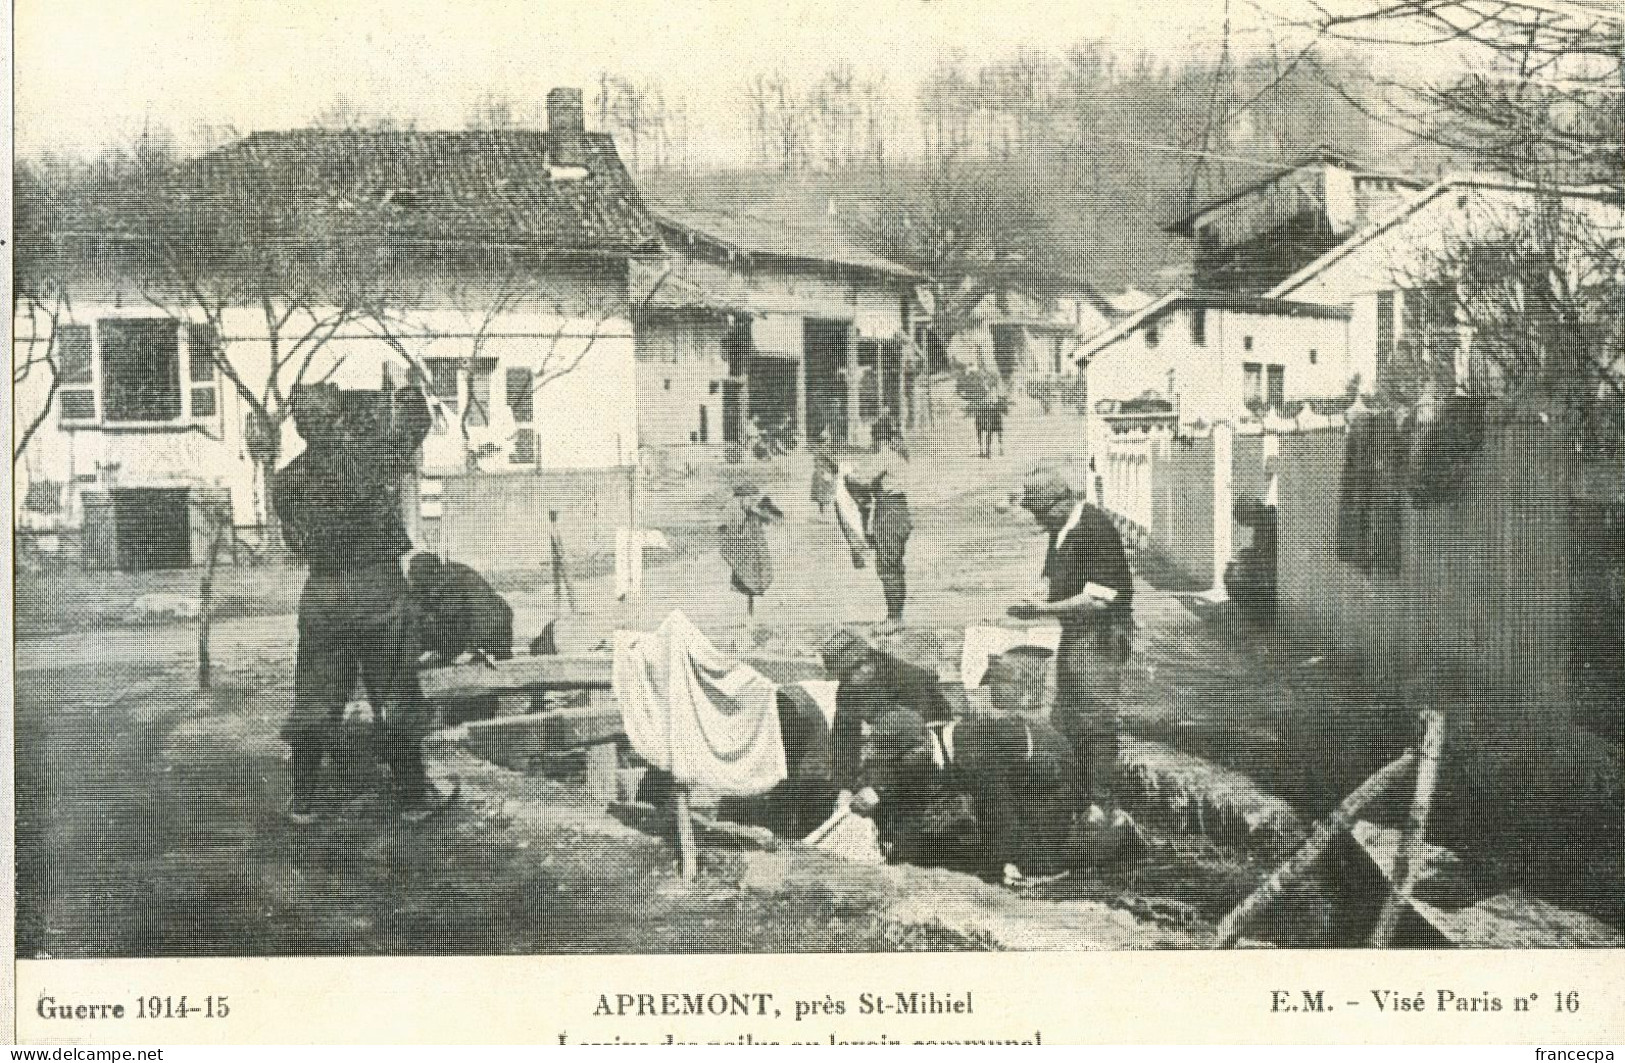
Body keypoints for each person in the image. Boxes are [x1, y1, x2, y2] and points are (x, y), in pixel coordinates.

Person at [274, 380, 450, 825]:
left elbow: (296, 544)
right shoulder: (373, 458)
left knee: (315, 696)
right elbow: (416, 423)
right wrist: (412, 391)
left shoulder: (286, 480)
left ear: (299, 426)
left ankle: (304, 801)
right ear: (336, 416)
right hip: (378, 592)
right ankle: (413, 798)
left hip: (324, 594)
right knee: (394, 692)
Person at [1008, 468, 1134, 827]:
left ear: (1062, 502)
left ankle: (1103, 805)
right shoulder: (1060, 528)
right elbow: (1052, 575)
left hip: (1101, 636)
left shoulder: (1095, 529)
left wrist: (1042, 610)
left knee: (1096, 720)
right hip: (1075, 634)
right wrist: (1039, 592)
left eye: (1040, 511)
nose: (1038, 519)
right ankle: (1079, 799)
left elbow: (1099, 600)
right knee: (1067, 718)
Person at [850, 708, 1083, 886]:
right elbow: (910, 810)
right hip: (1006, 775)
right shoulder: (921, 753)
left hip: (1049, 768)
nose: (896, 770)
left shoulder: (972, 752)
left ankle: (1073, 854)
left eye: (898, 762)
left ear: (920, 749)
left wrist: (995, 870)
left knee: (1029, 861)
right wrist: (897, 862)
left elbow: (998, 813)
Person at [821, 628, 954, 793]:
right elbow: (843, 743)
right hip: (889, 746)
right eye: (845, 675)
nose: (847, 680)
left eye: (848, 674)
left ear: (868, 658)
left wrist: (875, 786)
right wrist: (843, 789)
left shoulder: (907, 680)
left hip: (929, 752)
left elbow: (919, 742)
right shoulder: (847, 691)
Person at [407, 552, 515, 726]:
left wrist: (473, 649)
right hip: (460, 644)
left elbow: (490, 616)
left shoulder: (462, 579)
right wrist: (422, 651)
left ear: (435, 572)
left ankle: (480, 724)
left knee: (479, 694)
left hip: (488, 643)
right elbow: (419, 622)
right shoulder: (423, 589)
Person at [834, 418, 914, 625]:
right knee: (892, 563)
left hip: (889, 513)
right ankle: (896, 616)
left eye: (874, 438)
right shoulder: (899, 453)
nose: (872, 443)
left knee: (888, 565)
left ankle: (895, 618)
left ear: (879, 438)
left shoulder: (885, 455)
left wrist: (845, 475)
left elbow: (864, 481)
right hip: (898, 511)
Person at [718, 487, 782, 616]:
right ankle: (748, 613)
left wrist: (758, 511)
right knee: (745, 578)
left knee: (753, 578)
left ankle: (750, 612)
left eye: (751, 497)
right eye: (746, 498)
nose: (748, 500)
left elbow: (776, 518)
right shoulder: (734, 507)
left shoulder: (757, 506)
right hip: (744, 549)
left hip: (755, 548)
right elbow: (725, 527)